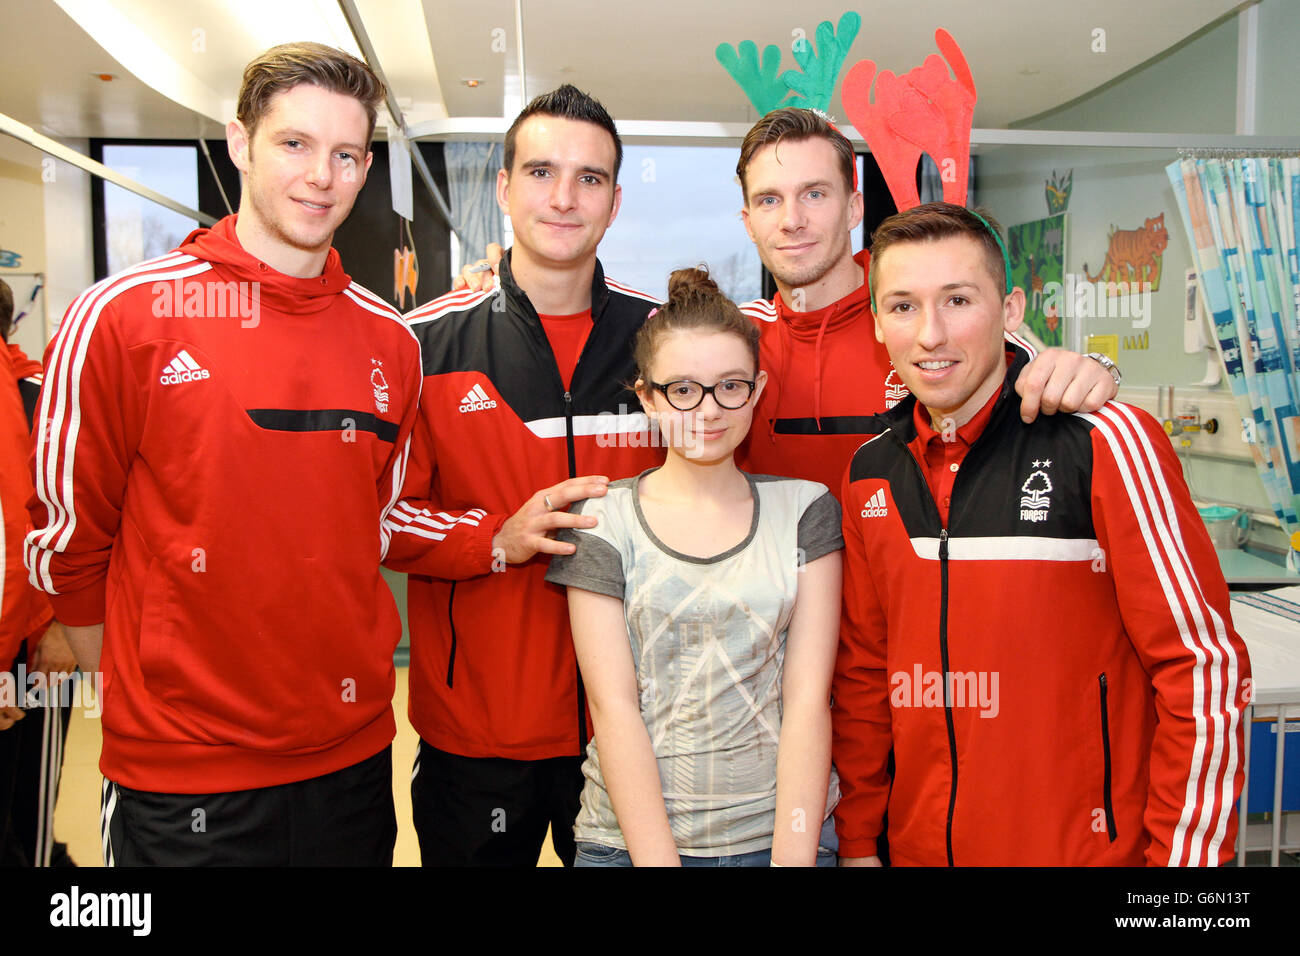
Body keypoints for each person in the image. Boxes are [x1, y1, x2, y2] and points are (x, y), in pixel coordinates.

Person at [25, 42, 421, 866]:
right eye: (294, 144)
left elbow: (371, 524)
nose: (322, 175)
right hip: (183, 780)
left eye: (346, 154)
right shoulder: (123, 318)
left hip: (348, 765)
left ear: (366, 166)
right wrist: (143, 699)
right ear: (239, 144)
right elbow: (69, 548)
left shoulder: (390, 338)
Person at [833, 202, 1250, 866]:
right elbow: (863, 678)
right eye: (904, 306)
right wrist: (858, 840)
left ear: (1011, 308)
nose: (930, 334)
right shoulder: (869, 472)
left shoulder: (1106, 442)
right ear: (878, 321)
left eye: (958, 300)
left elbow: (1203, 670)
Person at [457, 108, 1120, 495]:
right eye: (770, 201)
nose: (792, 221)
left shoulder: (925, 324)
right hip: (773, 673)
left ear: (855, 205)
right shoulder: (730, 340)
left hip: (918, 649)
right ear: (747, 221)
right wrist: (502, 280)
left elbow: (1051, 387)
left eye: (815, 194)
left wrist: (1090, 372)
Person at [384, 85, 664, 866]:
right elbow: (381, 517)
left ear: (613, 201)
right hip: (477, 738)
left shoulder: (663, 343)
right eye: (541, 172)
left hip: (630, 729)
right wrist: (493, 539)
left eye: (590, 178)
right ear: (503, 188)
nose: (565, 198)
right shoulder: (424, 345)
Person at [545, 267, 842, 866]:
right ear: (648, 396)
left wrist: (791, 858)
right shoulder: (603, 518)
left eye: (730, 386)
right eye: (682, 389)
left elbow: (808, 700)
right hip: (627, 843)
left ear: (756, 390)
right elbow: (614, 707)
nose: (707, 410)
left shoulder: (805, 509)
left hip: (776, 837)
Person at [0, 278, 77, 867]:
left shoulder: (38, 398)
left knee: (28, 812)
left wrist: (60, 627)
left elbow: (81, 519)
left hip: (37, 647)